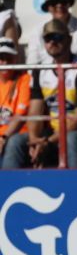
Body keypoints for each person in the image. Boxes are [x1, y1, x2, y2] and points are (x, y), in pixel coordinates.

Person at [2, 19, 77, 169]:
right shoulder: (41, 71)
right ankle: (8, 184)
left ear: (69, 39)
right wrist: (34, 139)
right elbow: (35, 113)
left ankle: (75, 183)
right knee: (16, 142)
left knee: (71, 140)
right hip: (51, 135)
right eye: (47, 38)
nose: (52, 42)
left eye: (57, 37)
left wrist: (48, 142)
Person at [0, 37, 30, 167]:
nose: (5, 62)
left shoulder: (25, 79)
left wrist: (3, 138)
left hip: (18, 134)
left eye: (9, 58)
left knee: (13, 143)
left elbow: (20, 115)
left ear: (15, 59)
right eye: (1, 58)